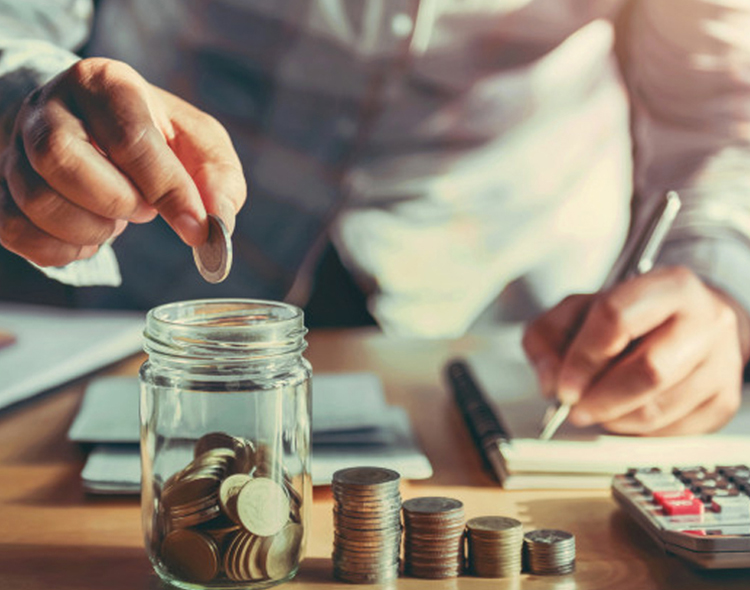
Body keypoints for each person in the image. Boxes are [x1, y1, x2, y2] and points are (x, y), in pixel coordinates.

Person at [1, 0, 749, 436]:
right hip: (128, 281)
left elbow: (717, 104)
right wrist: (22, 108)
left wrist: (717, 282)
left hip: (504, 321)